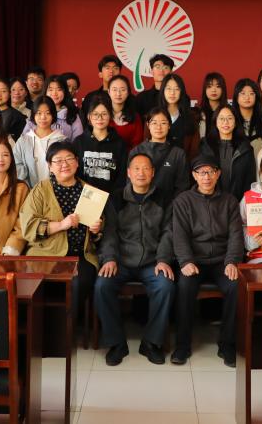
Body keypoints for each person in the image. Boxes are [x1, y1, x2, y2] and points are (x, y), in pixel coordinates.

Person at [95, 152, 175, 366]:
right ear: (129, 173)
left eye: (146, 168)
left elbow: (168, 232)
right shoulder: (116, 198)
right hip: (120, 261)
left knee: (165, 286)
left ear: (153, 172)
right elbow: (109, 232)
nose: (141, 173)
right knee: (102, 285)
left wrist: (163, 259)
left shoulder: (163, 198)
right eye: (136, 169)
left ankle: (151, 342)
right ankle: (116, 343)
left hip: (152, 262)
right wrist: (109, 258)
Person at [171, 154, 243, 367]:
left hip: (221, 260)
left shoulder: (229, 201)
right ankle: (182, 345)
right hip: (195, 260)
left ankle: (227, 344)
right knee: (184, 286)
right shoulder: (183, 200)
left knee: (235, 286)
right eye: (201, 172)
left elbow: (236, 235)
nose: (206, 177)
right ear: (194, 175)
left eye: (211, 172)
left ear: (218, 174)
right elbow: (179, 235)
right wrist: (185, 261)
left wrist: (232, 261)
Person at [19, 141, 103, 314]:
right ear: (50, 166)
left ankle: (67, 326)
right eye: (58, 160)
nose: (64, 164)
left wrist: (96, 229)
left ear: (77, 162)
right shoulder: (40, 190)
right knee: (37, 286)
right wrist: (61, 225)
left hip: (80, 255)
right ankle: (44, 324)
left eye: (69, 159)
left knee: (79, 283)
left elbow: (99, 229)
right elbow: (28, 226)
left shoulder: (89, 191)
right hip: (45, 254)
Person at [132, 108, 190, 206]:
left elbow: (182, 186)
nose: (158, 127)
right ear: (148, 125)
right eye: (154, 123)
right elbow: (130, 183)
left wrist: (171, 208)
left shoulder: (178, 154)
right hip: (141, 206)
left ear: (169, 125)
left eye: (163, 123)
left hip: (169, 207)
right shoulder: (137, 151)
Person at [198, 104, 256, 200]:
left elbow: (250, 181)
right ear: (215, 122)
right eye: (221, 118)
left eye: (230, 118)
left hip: (238, 203)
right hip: (210, 203)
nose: (226, 122)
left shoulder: (245, 149)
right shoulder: (205, 146)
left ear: (235, 122)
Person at [75, 97, 128, 194]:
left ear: (110, 116)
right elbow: (75, 173)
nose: (100, 118)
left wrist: (113, 197)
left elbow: (122, 176)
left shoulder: (120, 143)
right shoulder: (79, 142)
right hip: (84, 196)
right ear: (89, 116)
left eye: (104, 114)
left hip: (111, 198)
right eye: (95, 114)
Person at [14, 96, 67, 187]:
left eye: (47, 113)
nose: (43, 117)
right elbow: (15, 164)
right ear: (33, 115)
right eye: (39, 113)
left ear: (53, 115)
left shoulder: (61, 141)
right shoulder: (23, 140)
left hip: (55, 191)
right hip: (29, 191)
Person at [159, 72, 199, 158]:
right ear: (163, 91)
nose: (172, 93)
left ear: (181, 92)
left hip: (183, 163)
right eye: (168, 88)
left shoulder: (191, 118)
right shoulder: (154, 116)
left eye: (176, 89)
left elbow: (194, 151)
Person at [40, 75, 84, 140]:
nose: (54, 93)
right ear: (45, 92)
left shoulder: (72, 114)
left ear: (65, 92)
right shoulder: (37, 111)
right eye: (50, 90)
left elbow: (78, 141)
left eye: (59, 89)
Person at [107, 74, 144, 150]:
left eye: (123, 90)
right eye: (114, 89)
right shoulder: (102, 114)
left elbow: (137, 145)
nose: (118, 94)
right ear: (109, 92)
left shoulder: (135, 117)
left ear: (128, 92)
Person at [232, 78, 262, 149]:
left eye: (251, 93)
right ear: (236, 97)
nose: (247, 97)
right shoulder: (230, 120)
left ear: (256, 97)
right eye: (243, 93)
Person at [198, 72, 228, 138]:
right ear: (205, 89)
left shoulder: (228, 112)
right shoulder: (198, 113)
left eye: (218, 86)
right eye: (209, 86)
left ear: (223, 89)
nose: (214, 90)